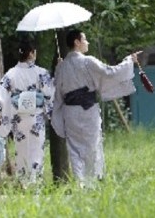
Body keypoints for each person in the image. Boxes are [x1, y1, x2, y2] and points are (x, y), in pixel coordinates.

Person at [52, 28, 141, 186]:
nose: (87, 42)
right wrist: (128, 61)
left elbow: (57, 91)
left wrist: (60, 68)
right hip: (87, 111)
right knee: (91, 145)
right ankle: (90, 183)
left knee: (74, 148)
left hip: (70, 112)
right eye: (84, 39)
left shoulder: (62, 66)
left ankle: (80, 182)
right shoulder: (88, 61)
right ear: (77, 42)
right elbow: (110, 72)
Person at [0, 39, 54, 185]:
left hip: (19, 120)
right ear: (31, 53)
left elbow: (0, 95)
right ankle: (35, 184)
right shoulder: (41, 73)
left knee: (22, 151)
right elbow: (50, 94)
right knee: (36, 151)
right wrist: (52, 114)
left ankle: (24, 184)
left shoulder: (11, 74)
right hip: (36, 119)